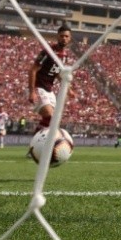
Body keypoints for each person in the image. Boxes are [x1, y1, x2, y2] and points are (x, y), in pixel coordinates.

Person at [27, 24, 75, 158]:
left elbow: (58, 73)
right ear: (57, 36)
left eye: (66, 36)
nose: (64, 38)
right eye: (62, 36)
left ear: (70, 39)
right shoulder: (48, 51)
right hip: (39, 87)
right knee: (50, 116)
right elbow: (33, 69)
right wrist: (32, 91)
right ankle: (36, 148)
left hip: (49, 90)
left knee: (52, 121)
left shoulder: (64, 54)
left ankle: (34, 148)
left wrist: (69, 89)